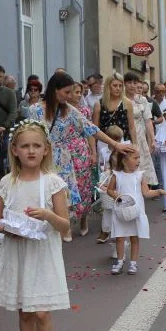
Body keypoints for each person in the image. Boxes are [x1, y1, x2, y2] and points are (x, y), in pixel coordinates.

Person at [0, 120, 70, 331]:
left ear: (46, 150)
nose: (31, 151)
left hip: (42, 252)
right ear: (15, 150)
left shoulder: (53, 183)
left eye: (36, 146)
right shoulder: (7, 183)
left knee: (42, 311)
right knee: (24, 312)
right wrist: (3, 226)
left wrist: (47, 215)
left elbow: (65, 225)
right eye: (25, 146)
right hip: (18, 251)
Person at [29, 72, 125, 242]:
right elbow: (28, 136)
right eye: (66, 92)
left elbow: (91, 129)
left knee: (61, 200)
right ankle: (46, 234)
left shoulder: (69, 111)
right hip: (42, 160)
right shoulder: (35, 110)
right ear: (54, 90)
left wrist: (116, 144)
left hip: (63, 161)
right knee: (43, 198)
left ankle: (61, 231)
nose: (69, 96)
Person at [105, 146, 166, 275]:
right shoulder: (117, 175)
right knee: (120, 237)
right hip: (121, 212)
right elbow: (109, 190)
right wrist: (118, 197)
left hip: (135, 212)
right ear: (124, 160)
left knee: (134, 237)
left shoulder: (140, 176)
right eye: (135, 158)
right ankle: (120, 261)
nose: (138, 160)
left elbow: (146, 192)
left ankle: (133, 263)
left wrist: (159, 191)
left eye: (138, 158)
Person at [66, 80, 99, 237]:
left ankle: (84, 218)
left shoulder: (85, 111)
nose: (79, 95)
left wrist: (93, 152)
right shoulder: (62, 110)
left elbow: (90, 132)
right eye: (76, 92)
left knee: (84, 187)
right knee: (66, 188)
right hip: (65, 152)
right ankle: (66, 224)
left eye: (80, 92)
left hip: (81, 150)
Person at [123, 72, 158, 187]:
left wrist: (152, 139)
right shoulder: (121, 100)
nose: (132, 85)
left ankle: (142, 195)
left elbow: (148, 121)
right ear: (125, 84)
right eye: (129, 82)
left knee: (141, 167)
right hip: (124, 136)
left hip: (139, 137)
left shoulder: (142, 100)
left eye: (135, 83)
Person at [96, 125, 125, 244]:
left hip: (117, 174)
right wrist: (104, 170)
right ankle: (105, 230)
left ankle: (116, 232)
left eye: (118, 140)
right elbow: (102, 163)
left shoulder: (121, 149)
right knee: (107, 211)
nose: (116, 142)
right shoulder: (104, 151)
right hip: (108, 174)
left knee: (117, 211)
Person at [93, 72, 138, 147]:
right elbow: (94, 129)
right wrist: (93, 149)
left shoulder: (127, 103)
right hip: (105, 143)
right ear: (108, 86)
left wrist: (135, 144)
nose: (118, 88)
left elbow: (132, 127)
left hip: (124, 142)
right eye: (115, 85)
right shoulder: (99, 104)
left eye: (120, 86)